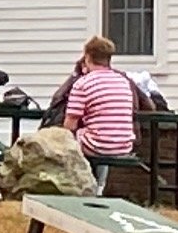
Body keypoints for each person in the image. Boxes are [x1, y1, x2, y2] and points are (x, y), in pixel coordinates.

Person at [59, 36, 143, 196]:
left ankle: (78, 187)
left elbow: (70, 125)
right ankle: (100, 187)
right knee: (99, 135)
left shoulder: (82, 84)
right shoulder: (123, 81)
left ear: (87, 57)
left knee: (74, 138)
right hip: (124, 145)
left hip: (97, 145)